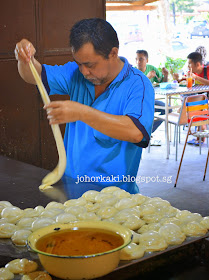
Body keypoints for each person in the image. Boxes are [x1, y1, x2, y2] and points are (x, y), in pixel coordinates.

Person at [15, 18, 154, 195]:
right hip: (71, 188)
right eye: (79, 63)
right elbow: (34, 76)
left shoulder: (138, 84)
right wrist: (25, 59)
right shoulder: (76, 74)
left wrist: (83, 113)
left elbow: (136, 132)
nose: (83, 71)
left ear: (113, 53)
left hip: (115, 196)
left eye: (90, 65)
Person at [135, 50, 169, 145]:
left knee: (168, 110)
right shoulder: (133, 71)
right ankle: (144, 132)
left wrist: (165, 75)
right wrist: (147, 77)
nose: (138, 62)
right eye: (136, 59)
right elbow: (136, 88)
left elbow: (163, 82)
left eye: (141, 59)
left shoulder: (152, 68)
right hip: (138, 103)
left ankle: (147, 131)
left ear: (147, 60)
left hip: (150, 101)